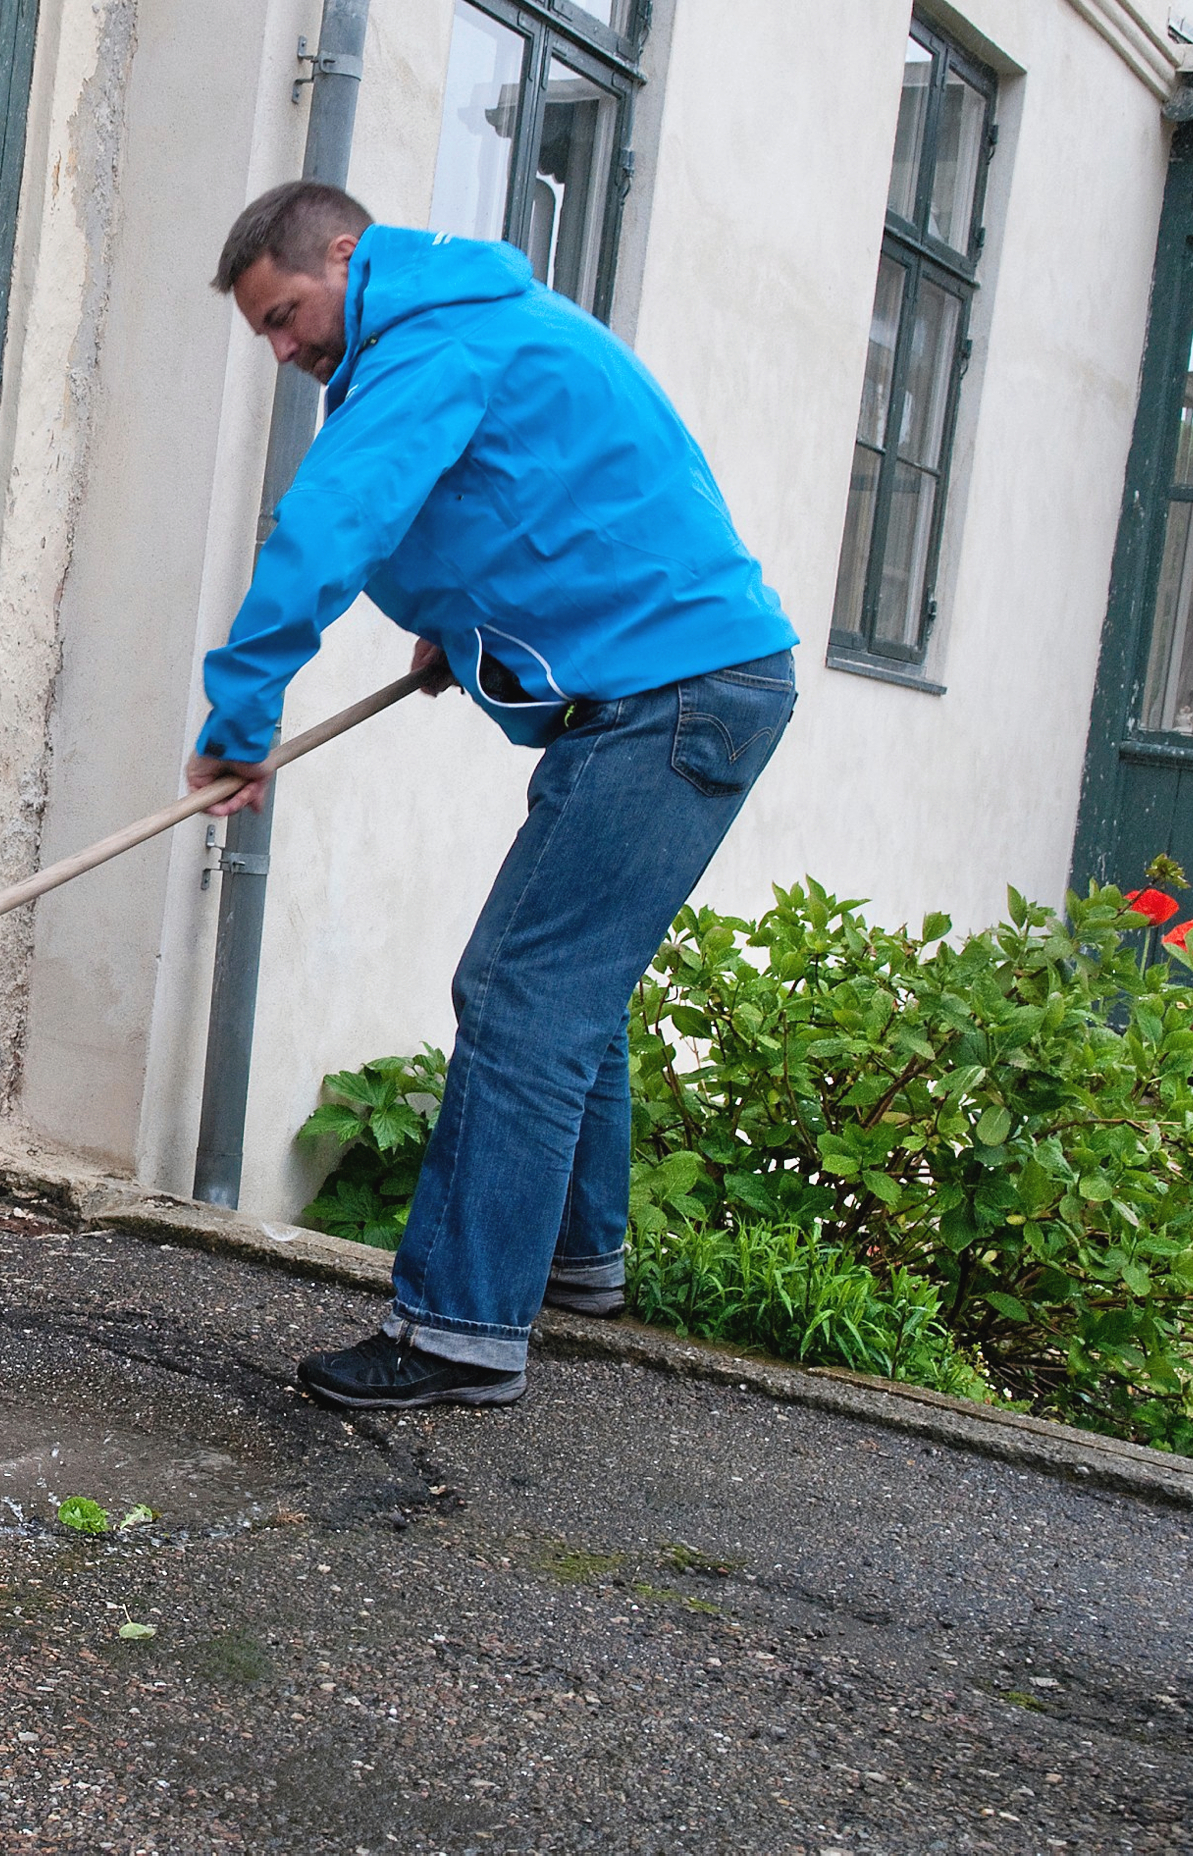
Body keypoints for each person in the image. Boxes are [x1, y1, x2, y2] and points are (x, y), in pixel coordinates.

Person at [186, 179, 800, 1412]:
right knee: (568, 984)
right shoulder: (478, 318)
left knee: (518, 990)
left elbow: (326, 528)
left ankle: (460, 1327)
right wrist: (464, 629)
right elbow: (550, 498)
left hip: (672, 695)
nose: (283, 349)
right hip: (700, 681)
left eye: (285, 314)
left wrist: (241, 722)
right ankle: (575, 1258)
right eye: (264, 332)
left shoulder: (432, 339)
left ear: (344, 255)